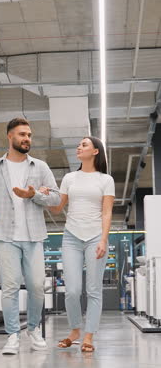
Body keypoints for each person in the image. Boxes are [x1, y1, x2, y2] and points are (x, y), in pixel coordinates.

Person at [0, 117, 60, 355]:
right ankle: (12, 335)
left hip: (34, 236)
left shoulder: (41, 167)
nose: (27, 139)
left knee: (36, 286)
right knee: (10, 287)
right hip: (5, 235)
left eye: (29, 135)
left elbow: (56, 199)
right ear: (10, 136)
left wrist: (34, 194)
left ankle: (33, 329)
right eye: (22, 134)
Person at [42, 136, 115, 352]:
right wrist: (45, 197)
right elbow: (57, 208)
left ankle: (88, 336)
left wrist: (103, 239)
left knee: (93, 290)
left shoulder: (105, 180)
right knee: (72, 290)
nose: (79, 147)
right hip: (71, 237)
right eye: (79, 144)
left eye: (84, 144)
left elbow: (107, 212)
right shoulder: (69, 178)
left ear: (95, 151)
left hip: (95, 237)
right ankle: (75, 330)